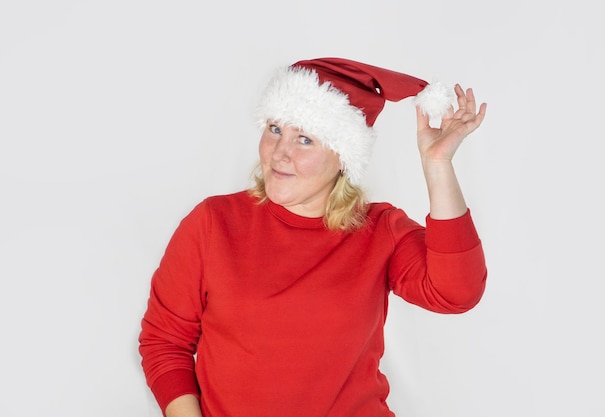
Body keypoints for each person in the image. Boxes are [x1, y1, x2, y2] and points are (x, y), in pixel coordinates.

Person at [138, 57, 488, 417]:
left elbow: (456, 292)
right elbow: (164, 343)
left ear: (343, 157)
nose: (279, 153)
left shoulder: (379, 230)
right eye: (275, 129)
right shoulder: (213, 223)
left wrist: (437, 164)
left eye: (304, 139)